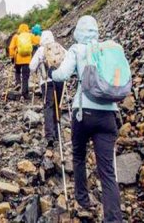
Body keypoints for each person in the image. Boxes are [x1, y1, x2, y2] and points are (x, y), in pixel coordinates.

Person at [48, 15, 122, 222]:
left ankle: (82, 199)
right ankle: (114, 219)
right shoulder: (107, 49)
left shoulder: (77, 49)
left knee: (79, 157)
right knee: (107, 172)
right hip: (109, 115)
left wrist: (51, 72)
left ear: (78, 31)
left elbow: (62, 74)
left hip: (83, 113)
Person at [30, 30, 65, 146]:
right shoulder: (58, 46)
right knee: (57, 105)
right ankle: (58, 133)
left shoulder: (40, 50)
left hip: (46, 82)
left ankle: (50, 135)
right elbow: (68, 58)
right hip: (59, 80)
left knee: (48, 106)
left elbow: (31, 66)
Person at [9, 24, 33, 99]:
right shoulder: (30, 35)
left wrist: (12, 57)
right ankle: (25, 93)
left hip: (18, 59)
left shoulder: (16, 37)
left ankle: (18, 83)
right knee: (25, 76)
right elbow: (38, 41)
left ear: (19, 29)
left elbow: (11, 47)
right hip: (27, 59)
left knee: (17, 71)